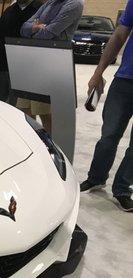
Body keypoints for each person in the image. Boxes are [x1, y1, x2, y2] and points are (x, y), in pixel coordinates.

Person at [80, 0, 133, 212]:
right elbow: (119, 35)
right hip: (125, 80)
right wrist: (98, 72)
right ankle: (96, 178)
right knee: (109, 135)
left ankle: (122, 189)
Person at [18, 0, 84, 133]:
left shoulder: (74, 4)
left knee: (44, 112)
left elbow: (47, 33)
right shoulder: (50, 4)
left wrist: (35, 29)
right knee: (25, 108)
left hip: (51, 61)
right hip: (33, 60)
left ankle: (51, 147)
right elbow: (23, 28)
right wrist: (36, 27)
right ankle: (34, 143)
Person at [0, 0, 41, 102]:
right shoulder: (9, 11)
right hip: (1, 65)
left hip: (23, 69)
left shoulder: (38, 10)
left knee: (16, 107)